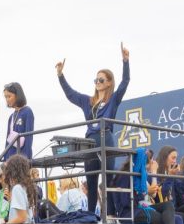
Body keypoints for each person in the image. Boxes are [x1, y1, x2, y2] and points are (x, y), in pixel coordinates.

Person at [55, 44, 131, 208]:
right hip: (90, 140)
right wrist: (61, 75)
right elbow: (70, 94)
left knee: (108, 178)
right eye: (95, 80)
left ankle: (110, 214)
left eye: (101, 80)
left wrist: (125, 62)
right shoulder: (87, 101)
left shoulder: (113, 99)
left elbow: (125, 82)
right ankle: (90, 216)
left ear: (109, 83)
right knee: (91, 180)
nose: (97, 82)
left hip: (106, 139)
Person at [2, 82, 34, 160]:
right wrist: (5, 158)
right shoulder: (11, 117)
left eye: (9, 96)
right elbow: (7, 140)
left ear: (17, 95)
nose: (7, 99)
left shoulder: (27, 111)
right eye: (5, 97)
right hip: (10, 158)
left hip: (21, 158)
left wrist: (26, 158)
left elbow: (29, 137)